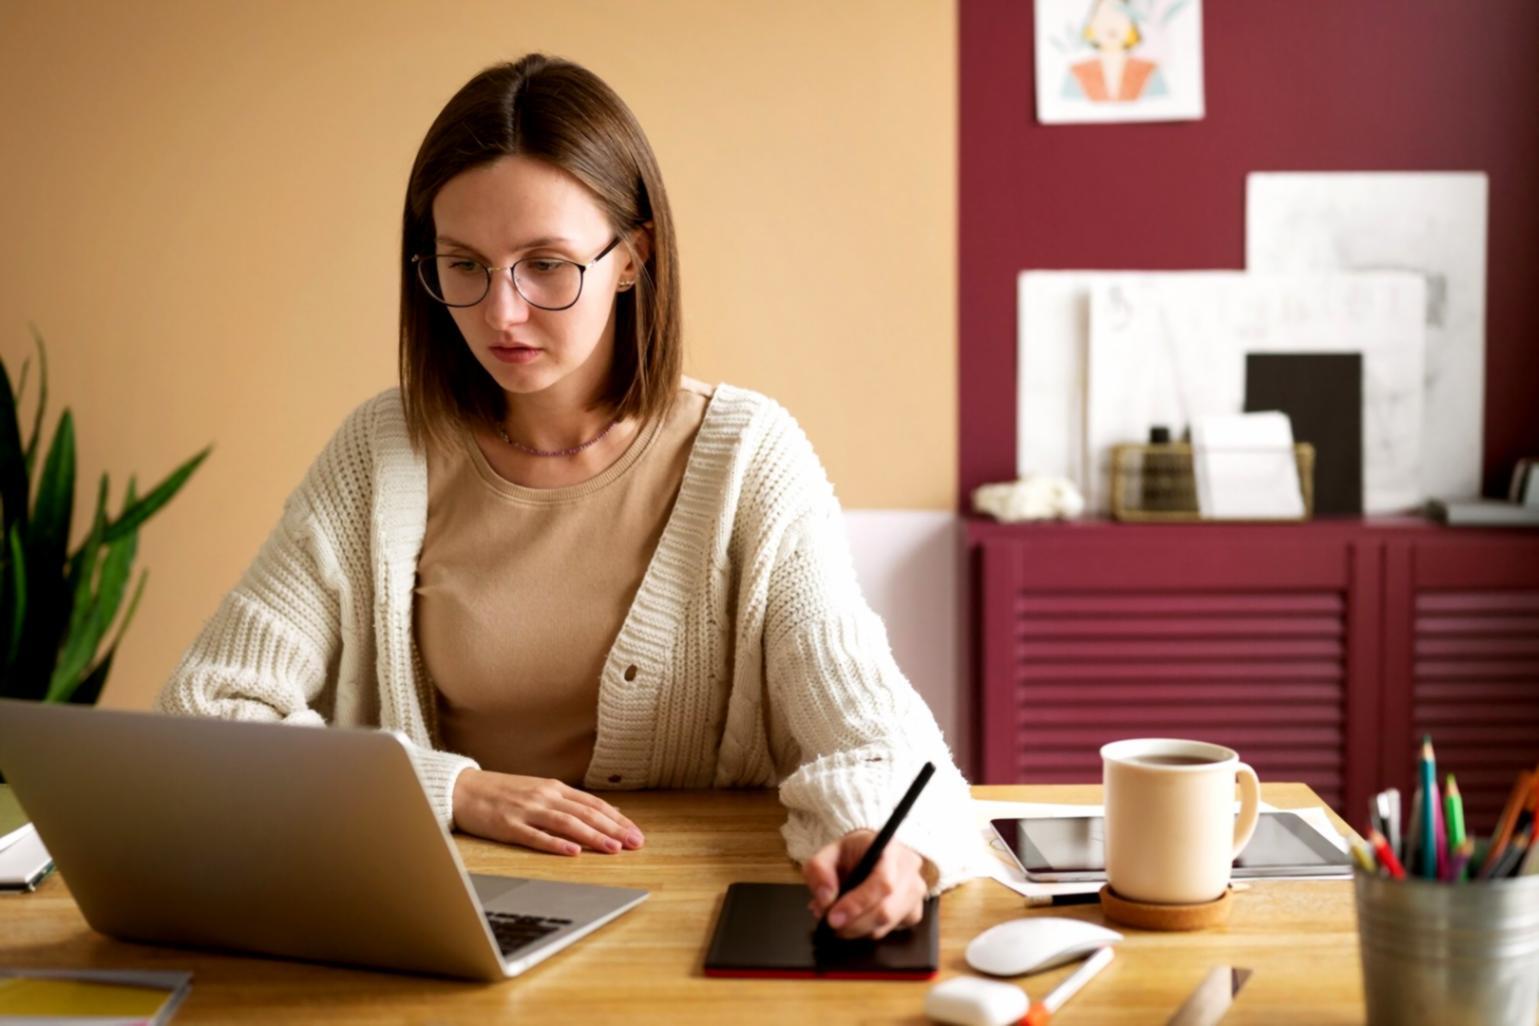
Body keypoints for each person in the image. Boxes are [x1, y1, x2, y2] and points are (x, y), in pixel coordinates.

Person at [156, 53, 979, 941]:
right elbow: (205, 715)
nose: (501, 312)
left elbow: (878, 739)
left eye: (545, 265)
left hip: (680, 925)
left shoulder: (747, 456)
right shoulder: (380, 451)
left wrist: (880, 846)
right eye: (462, 265)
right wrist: (453, 789)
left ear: (632, 258)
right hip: (441, 927)